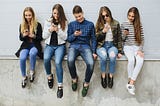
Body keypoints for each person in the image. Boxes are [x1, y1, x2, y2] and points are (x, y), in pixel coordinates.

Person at [67, 5, 97, 97]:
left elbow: (94, 39)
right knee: (70, 60)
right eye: (76, 17)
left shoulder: (90, 24)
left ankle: (86, 83)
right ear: (74, 16)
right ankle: (74, 78)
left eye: (79, 16)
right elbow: (69, 39)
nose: (78, 18)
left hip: (85, 46)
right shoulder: (71, 24)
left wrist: (94, 51)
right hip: (74, 45)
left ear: (82, 13)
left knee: (91, 63)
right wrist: (74, 35)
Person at [43, 4, 67, 98]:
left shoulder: (64, 22)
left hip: (60, 46)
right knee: (46, 59)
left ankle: (60, 86)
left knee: (57, 62)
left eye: (58, 13)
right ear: (52, 12)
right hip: (49, 46)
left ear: (61, 13)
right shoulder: (48, 21)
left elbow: (65, 37)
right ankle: (49, 76)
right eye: (54, 13)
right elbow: (44, 36)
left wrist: (58, 31)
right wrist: (50, 30)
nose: (56, 15)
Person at [95, 6, 123, 89]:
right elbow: (96, 39)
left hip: (112, 45)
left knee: (112, 56)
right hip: (101, 46)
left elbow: (119, 38)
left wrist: (120, 51)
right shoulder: (99, 24)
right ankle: (103, 76)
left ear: (110, 14)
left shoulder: (116, 23)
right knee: (103, 57)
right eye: (103, 16)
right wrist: (103, 31)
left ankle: (111, 76)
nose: (105, 17)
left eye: (107, 15)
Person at [15, 7, 43, 88]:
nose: (28, 17)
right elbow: (20, 38)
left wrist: (33, 36)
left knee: (32, 53)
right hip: (26, 45)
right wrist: (24, 35)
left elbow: (40, 38)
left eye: (29, 15)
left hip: (35, 45)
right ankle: (24, 77)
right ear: (24, 16)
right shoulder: (22, 25)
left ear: (33, 15)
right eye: (26, 15)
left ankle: (32, 72)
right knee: (22, 57)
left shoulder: (38, 25)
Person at [121, 7, 144, 95]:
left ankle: (130, 83)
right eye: (129, 15)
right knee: (131, 60)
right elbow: (121, 39)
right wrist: (124, 34)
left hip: (137, 47)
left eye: (133, 16)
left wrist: (140, 50)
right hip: (127, 46)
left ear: (136, 17)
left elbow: (142, 39)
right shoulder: (123, 24)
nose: (130, 18)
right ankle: (130, 84)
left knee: (140, 61)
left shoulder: (139, 25)